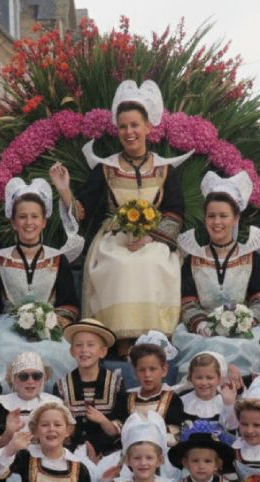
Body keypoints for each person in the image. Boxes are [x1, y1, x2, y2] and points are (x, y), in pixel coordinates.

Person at [50, 80, 189, 348]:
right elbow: (81, 212)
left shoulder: (164, 169)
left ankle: (154, 338)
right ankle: (119, 339)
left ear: (148, 127)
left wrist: (151, 237)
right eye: (123, 126)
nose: (129, 132)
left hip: (154, 239)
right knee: (119, 264)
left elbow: (175, 211)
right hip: (114, 238)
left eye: (135, 125)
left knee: (153, 262)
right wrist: (64, 190)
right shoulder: (106, 168)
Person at [0, 178, 80, 389]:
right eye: (22, 217)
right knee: (0, 354)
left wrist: (47, 322)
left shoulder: (57, 258)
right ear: (13, 222)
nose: (29, 222)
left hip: (49, 329)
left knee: (58, 355)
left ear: (44, 221)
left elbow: (69, 304)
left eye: (35, 216)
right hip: (7, 330)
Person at [173, 171, 260, 378]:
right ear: (205, 219)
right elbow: (188, 301)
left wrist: (245, 322)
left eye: (223, 216)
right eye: (211, 216)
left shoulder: (252, 258)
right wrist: (201, 324)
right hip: (202, 336)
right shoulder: (193, 258)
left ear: (235, 218)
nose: (217, 222)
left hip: (244, 334)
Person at [53, 319, 126, 460]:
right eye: (78, 345)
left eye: (91, 345)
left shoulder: (115, 383)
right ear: (72, 351)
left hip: (110, 455)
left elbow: (123, 425)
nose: (84, 350)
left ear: (103, 351)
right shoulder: (62, 386)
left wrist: (103, 421)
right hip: (72, 455)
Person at [0, 352, 61, 440]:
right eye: (23, 376)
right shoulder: (1, 404)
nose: (30, 381)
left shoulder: (55, 403)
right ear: (14, 379)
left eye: (36, 376)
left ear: (43, 378)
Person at [179, 351, 237, 434]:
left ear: (219, 379)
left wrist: (229, 405)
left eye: (209, 378)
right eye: (199, 377)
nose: (204, 383)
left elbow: (232, 427)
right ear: (190, 378)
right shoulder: (181, 401)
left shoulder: (224, 401)